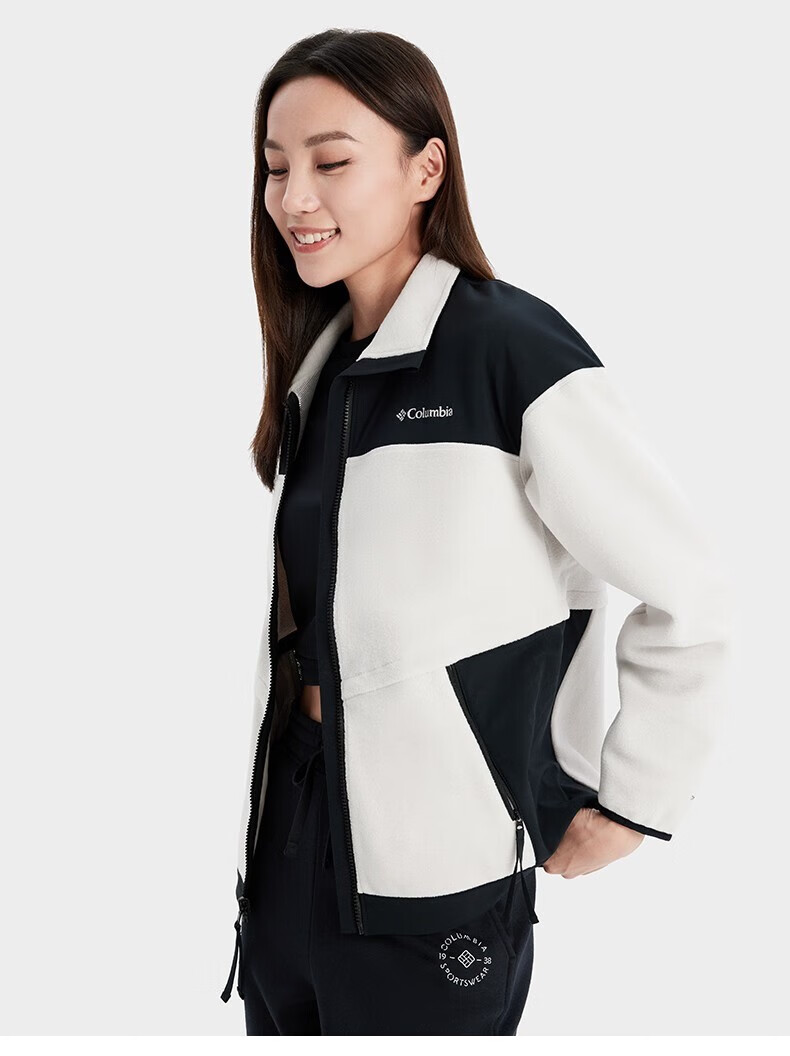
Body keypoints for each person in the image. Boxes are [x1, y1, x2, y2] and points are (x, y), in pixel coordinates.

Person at [219, 28, 731, 1036]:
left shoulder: (508, 350)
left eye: (331, 162)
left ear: (426, 169)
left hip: (437, 875)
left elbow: (691, 592)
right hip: (291, 843)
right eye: (275, 168)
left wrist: (634, 801)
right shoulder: (325, 367)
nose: (293, 198)